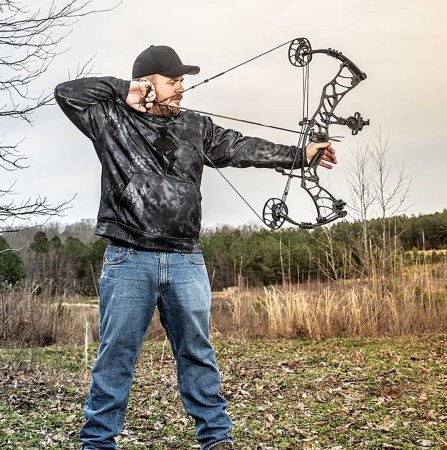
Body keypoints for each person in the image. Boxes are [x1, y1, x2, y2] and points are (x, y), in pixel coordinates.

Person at [55, 44, 336, 450]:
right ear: (148, 83)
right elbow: (67, 92)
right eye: (173, 80)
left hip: (186, 258)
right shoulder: (109, 118)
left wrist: (300, 154)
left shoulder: (195, 127)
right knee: (116, 357)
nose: (182, 88)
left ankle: (216, 439)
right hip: (129, 256)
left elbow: (243, 147)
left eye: (183, 81)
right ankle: (98, 443)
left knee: (197, 353)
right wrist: (122, 89)